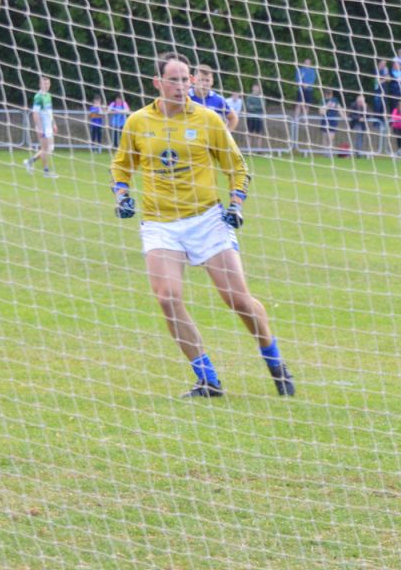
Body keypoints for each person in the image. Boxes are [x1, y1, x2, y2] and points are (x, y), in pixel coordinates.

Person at [109, 51, 294, 397]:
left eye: (185, 79)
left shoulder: (208, 119)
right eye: (174, 79)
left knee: (237, 300)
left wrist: (236, 202)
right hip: (160, 223)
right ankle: (208, 379)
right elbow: (121, 166)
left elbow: (237, 167)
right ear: (157, 83)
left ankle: (274, 360)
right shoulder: (137, 122)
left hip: (207, 219)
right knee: (167, 297)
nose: (181, 86)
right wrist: (121, 194)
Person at [22, 76, 57, 178]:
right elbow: (35, 113)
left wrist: (54, 123)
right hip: (43, 127)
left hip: (49, 126)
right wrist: (39, 127)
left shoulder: (48, 96)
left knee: (50, 148)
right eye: (44, 84)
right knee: (45, 149)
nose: (46, 85)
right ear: (40, 85)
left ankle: (29, 162)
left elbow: (49, 111)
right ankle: (46, 172)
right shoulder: (38, 97)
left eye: (48, 83)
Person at [189, 65, 240, 132]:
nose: (204, 84)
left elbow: (233, 118)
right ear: (193, 80)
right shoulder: (185, 96)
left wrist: (225, 135)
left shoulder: (218, 100)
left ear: (212, 81)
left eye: (207, 80)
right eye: (201, 80)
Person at [243, 84, 266, 150]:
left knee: (259, 134)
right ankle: (249, 149)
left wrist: (254, 107)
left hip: (259, 117)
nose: (256, 89)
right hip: (250, 117)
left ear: (259, 89)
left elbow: (262, 107)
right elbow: (248, 107)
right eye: (255, 87)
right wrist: (255, 107)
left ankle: (259, 150)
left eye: (257, 88)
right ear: (252, 88)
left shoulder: (262, 97)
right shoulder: (249, 97)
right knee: (249, 133)